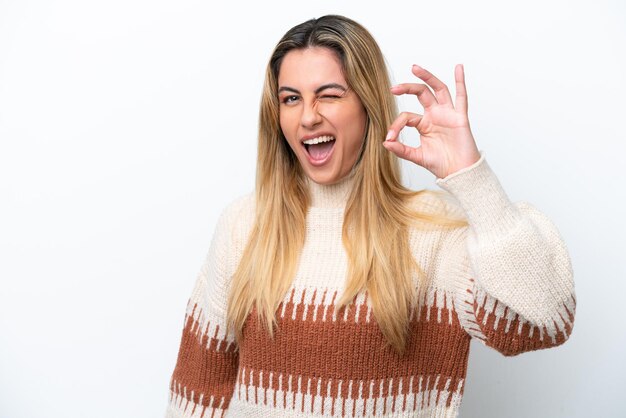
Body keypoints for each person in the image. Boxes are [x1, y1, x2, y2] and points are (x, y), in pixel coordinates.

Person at [164, 14, 576, 418]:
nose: (308, 116)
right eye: (291, 98)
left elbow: (543, 322)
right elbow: (197, 395)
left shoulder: (433, 233)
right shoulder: (243, 225)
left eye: (329, 94)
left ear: (368, 105)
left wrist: (471, 177)